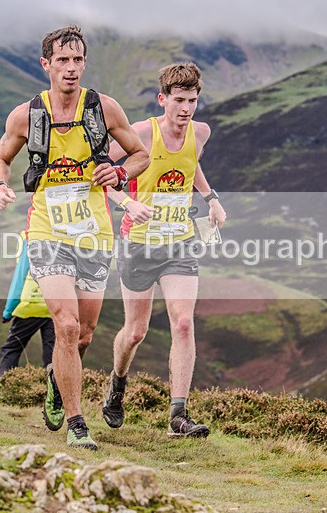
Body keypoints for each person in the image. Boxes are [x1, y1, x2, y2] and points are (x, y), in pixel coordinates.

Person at [0, 26, 149, 450]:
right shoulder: (26, 115)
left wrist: (117, 172)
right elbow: (1, 157)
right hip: (46, 231)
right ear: (46, 65)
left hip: (94, 233)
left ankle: (57, 382)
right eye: (63, 60)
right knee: (65, 323)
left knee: (84, 335)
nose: (72, 69)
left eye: (78, 60)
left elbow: (140, 155)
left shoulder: (104, 108)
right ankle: (78, 425)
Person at [103, 62, 227, 438]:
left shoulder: (200, 133)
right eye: (178, 100)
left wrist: (211, 198)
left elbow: (191, 167)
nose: (186, 109)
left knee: (184, 322)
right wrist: (126, 202)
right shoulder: (142, 132)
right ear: (163, 99)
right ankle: (117, 385)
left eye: (192, 100)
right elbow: (99, 172)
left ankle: (178, 416)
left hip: (180, 242)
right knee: (136, 331)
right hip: (138, 243)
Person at [0, 239, 55, 376]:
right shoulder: (61, 237)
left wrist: (8, 311)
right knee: (52, 354)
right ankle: (52, 390)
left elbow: (20, 276)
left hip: (30, 305)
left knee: (12, 348)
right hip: (54, 306)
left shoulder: (28, 238)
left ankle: (5, 384)